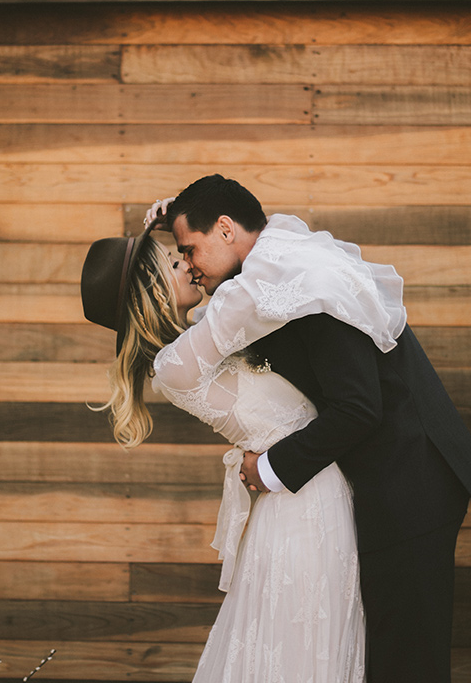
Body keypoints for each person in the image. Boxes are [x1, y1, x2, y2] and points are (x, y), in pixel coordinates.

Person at [143, 174, 471, 683]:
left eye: (190, 249)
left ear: (226, 230)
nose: (189, 265)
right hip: (397, 476)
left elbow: (359, 409)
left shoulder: (306, 282)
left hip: (411, 481)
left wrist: (267, 469)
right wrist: (182, 215)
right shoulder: (277, 266)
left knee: (407, 661)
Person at [81, 208, 367, 681]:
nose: (190, 265)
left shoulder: (199, 337)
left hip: (310, 490)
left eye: (185, 255)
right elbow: (256, 284)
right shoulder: (175, 365)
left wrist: (194, 216)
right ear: (153, 292)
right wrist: (211, 222)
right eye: (176, 263)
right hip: (302, 504)